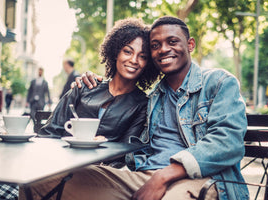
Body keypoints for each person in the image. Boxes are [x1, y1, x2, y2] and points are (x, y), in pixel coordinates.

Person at [21, 16, 248, 200]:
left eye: (172, 42)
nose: (163, 50)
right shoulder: (152, 97)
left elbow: (226, 142)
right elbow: (127, 145)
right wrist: (90, 82)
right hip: (141, 175)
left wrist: (162, 177)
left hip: (200, 178)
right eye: (156, 46)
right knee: (39, 183)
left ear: (190, 45)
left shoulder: (218, 82)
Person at [38, 18, 158, 155]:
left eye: (142, 56)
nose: (134, 60)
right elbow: (49, 132)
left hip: (100, 169)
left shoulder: (142, 104)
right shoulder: (85, 86)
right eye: (127, 52)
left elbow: (125, 151)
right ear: (115, 53)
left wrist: (102, 146)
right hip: (62, 161)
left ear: (148, 64)